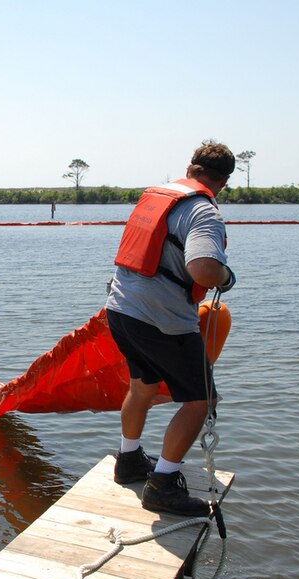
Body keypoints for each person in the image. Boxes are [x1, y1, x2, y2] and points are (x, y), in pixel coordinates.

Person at [106, 140, 236, 516]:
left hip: (120, 309)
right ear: (223, 182)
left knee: (142, 385)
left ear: (191, 168)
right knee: (201, 400)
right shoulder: (203, 211)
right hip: (162, 320)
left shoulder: (156, 197)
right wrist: (226, 278)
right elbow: (203, 268)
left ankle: (129, 460)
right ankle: (163, 484)